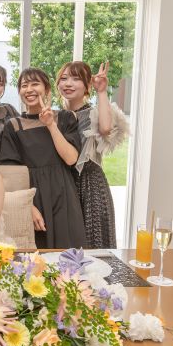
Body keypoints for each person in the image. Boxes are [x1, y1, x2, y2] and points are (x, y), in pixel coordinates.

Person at [0, 68, 86, 249]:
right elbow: (11, 173)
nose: (29, 89)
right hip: (32, 195)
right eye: (24, 85)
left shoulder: (65, 118)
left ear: (46, 89)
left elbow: (71, 159)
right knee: (35, 256)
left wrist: (51, 125)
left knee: (68, 253)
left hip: (63, 193)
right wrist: (28, 206)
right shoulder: (13, 126)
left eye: (35, 84)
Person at [57, 61, 128, 249]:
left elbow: (105, 129)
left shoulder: (94, 112)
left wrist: (102, 91)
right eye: (64, 78)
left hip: (89, 187)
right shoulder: (55, 116)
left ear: (87, 85)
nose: (68, 83)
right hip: (64, 186)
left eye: (76, 79)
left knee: (93, 247)